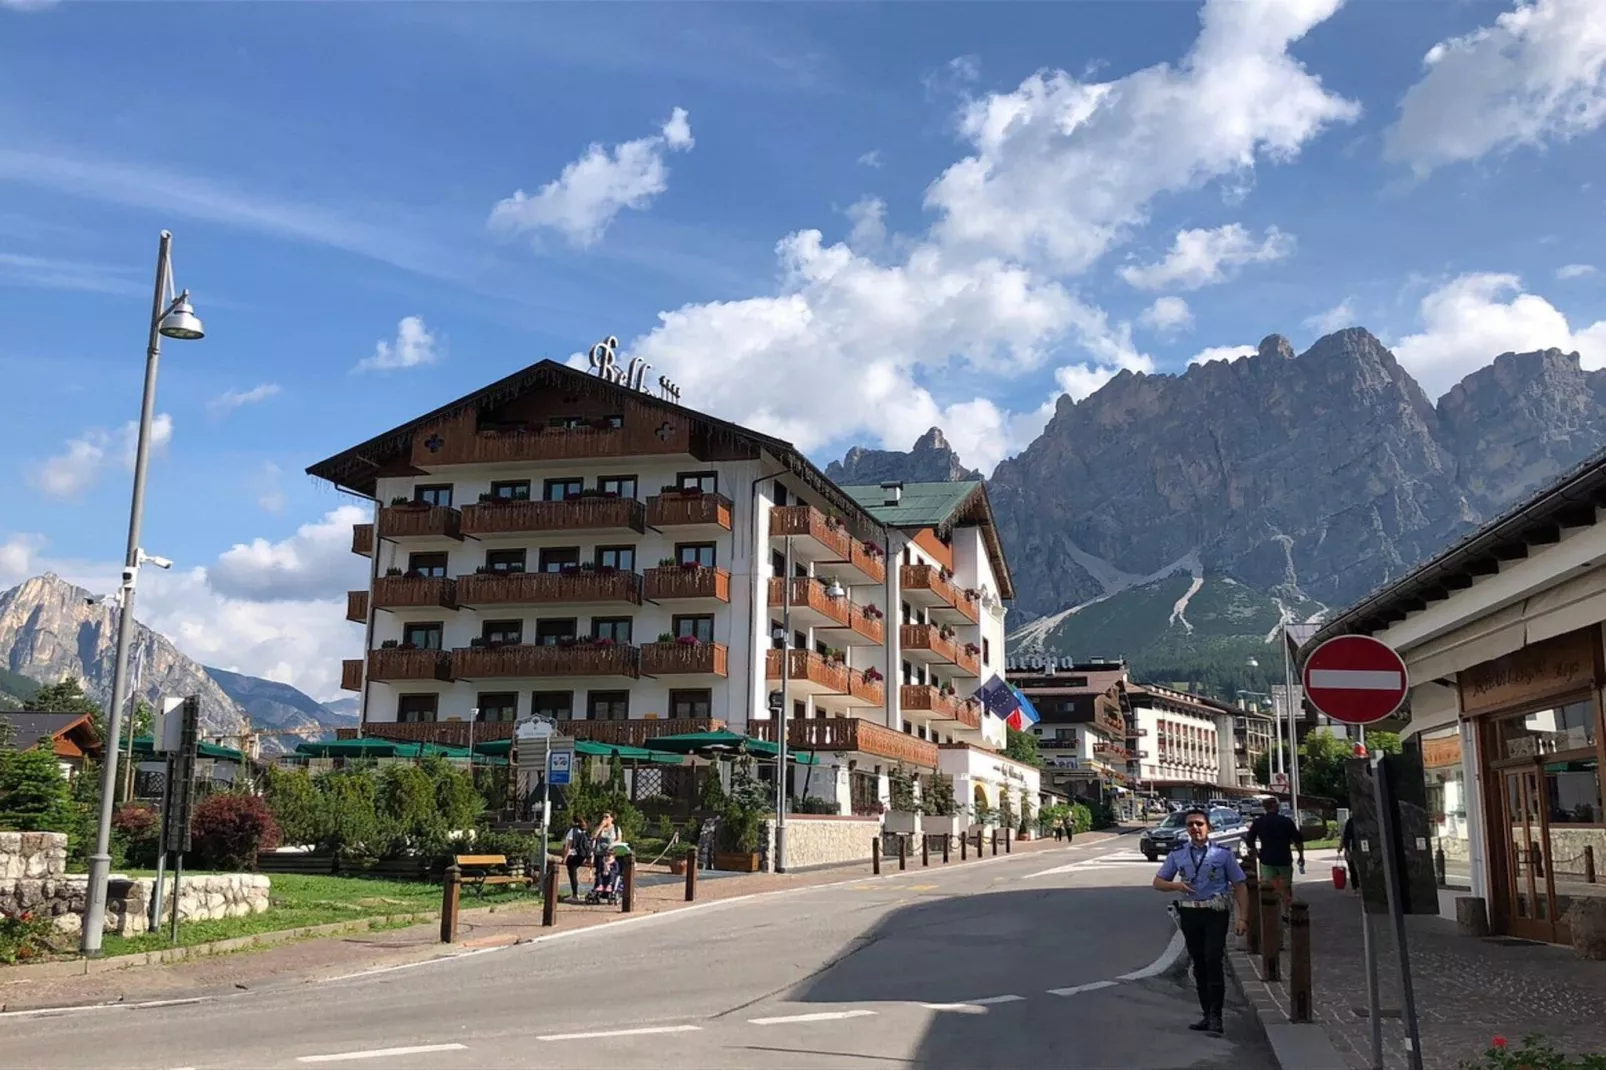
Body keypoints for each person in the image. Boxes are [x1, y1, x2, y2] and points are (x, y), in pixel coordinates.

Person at [1153, 807, 1249, 1036]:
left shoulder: (1223, 854)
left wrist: (1243, 917)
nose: (1195, 828)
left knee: (1213, 959)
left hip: (1215, 912)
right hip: (1190, 914)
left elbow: (1240, 885)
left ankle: (1217, 1016)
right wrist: (1176, 886)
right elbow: (1158, 882)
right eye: (1190, 825)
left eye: (1199, 824)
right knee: (1199, 964)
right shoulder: (1178, 854)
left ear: (1208, 827)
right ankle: (1207, 1014)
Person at [1246, 797, 1305, 917]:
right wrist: (1301, 856)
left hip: (1266, 858)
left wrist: (1256, 852)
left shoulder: (1259, 822)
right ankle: (1286, 911)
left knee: (1268, 886)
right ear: (1274, 806)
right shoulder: (1286, 821)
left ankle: (1270, 912)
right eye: (1277, 805)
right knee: (1285, 887)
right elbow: (1298, 840)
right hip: (1284, 858)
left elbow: (1249, 840)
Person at [561, 815, 591, 901]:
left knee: (572, 874)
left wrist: (565, 857)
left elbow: (568, 845)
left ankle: (575, 894)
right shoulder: (584, 831)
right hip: (582, 855)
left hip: (573, 855)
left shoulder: (572, 831)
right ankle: (576, 893)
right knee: (574, 873)